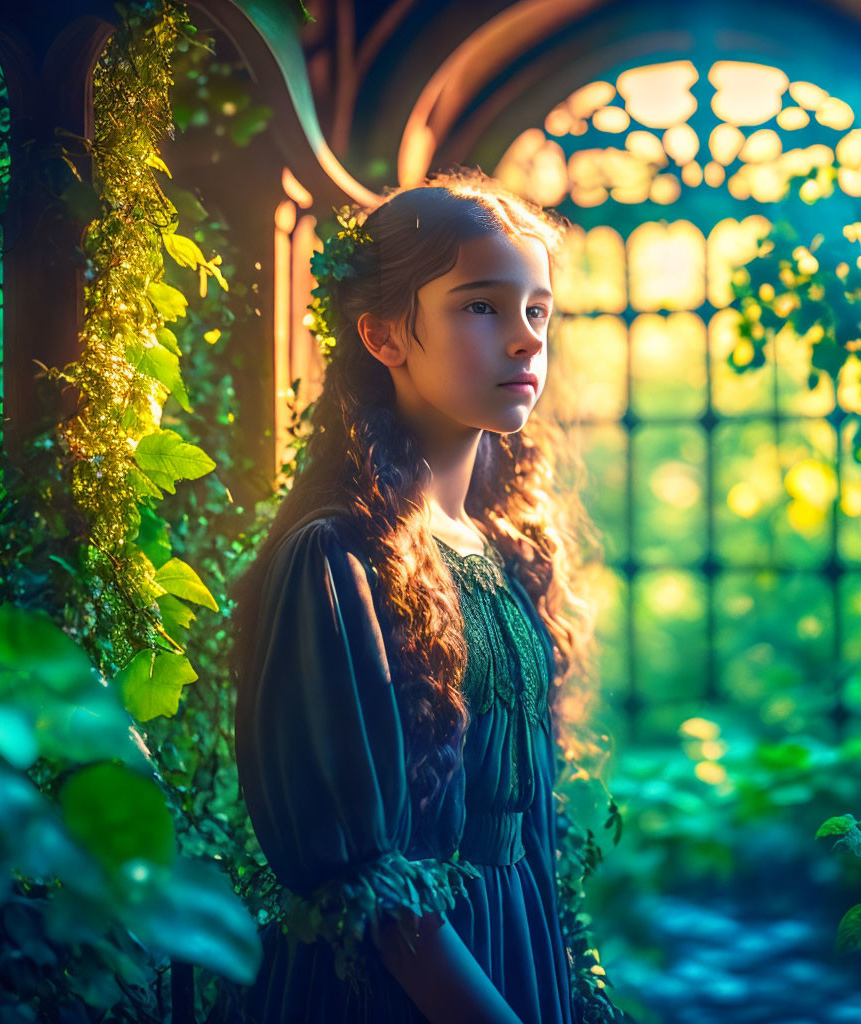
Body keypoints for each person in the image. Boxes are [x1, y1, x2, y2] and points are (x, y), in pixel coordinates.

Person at [226, 167, 630, 1024]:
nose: (525, 340)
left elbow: (524, 825)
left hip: (514, 944)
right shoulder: (334, 562)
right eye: (481, 306)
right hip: (405, 987)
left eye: (537, 311)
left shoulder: (501, 546)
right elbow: (371, 889)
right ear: (383, 336)